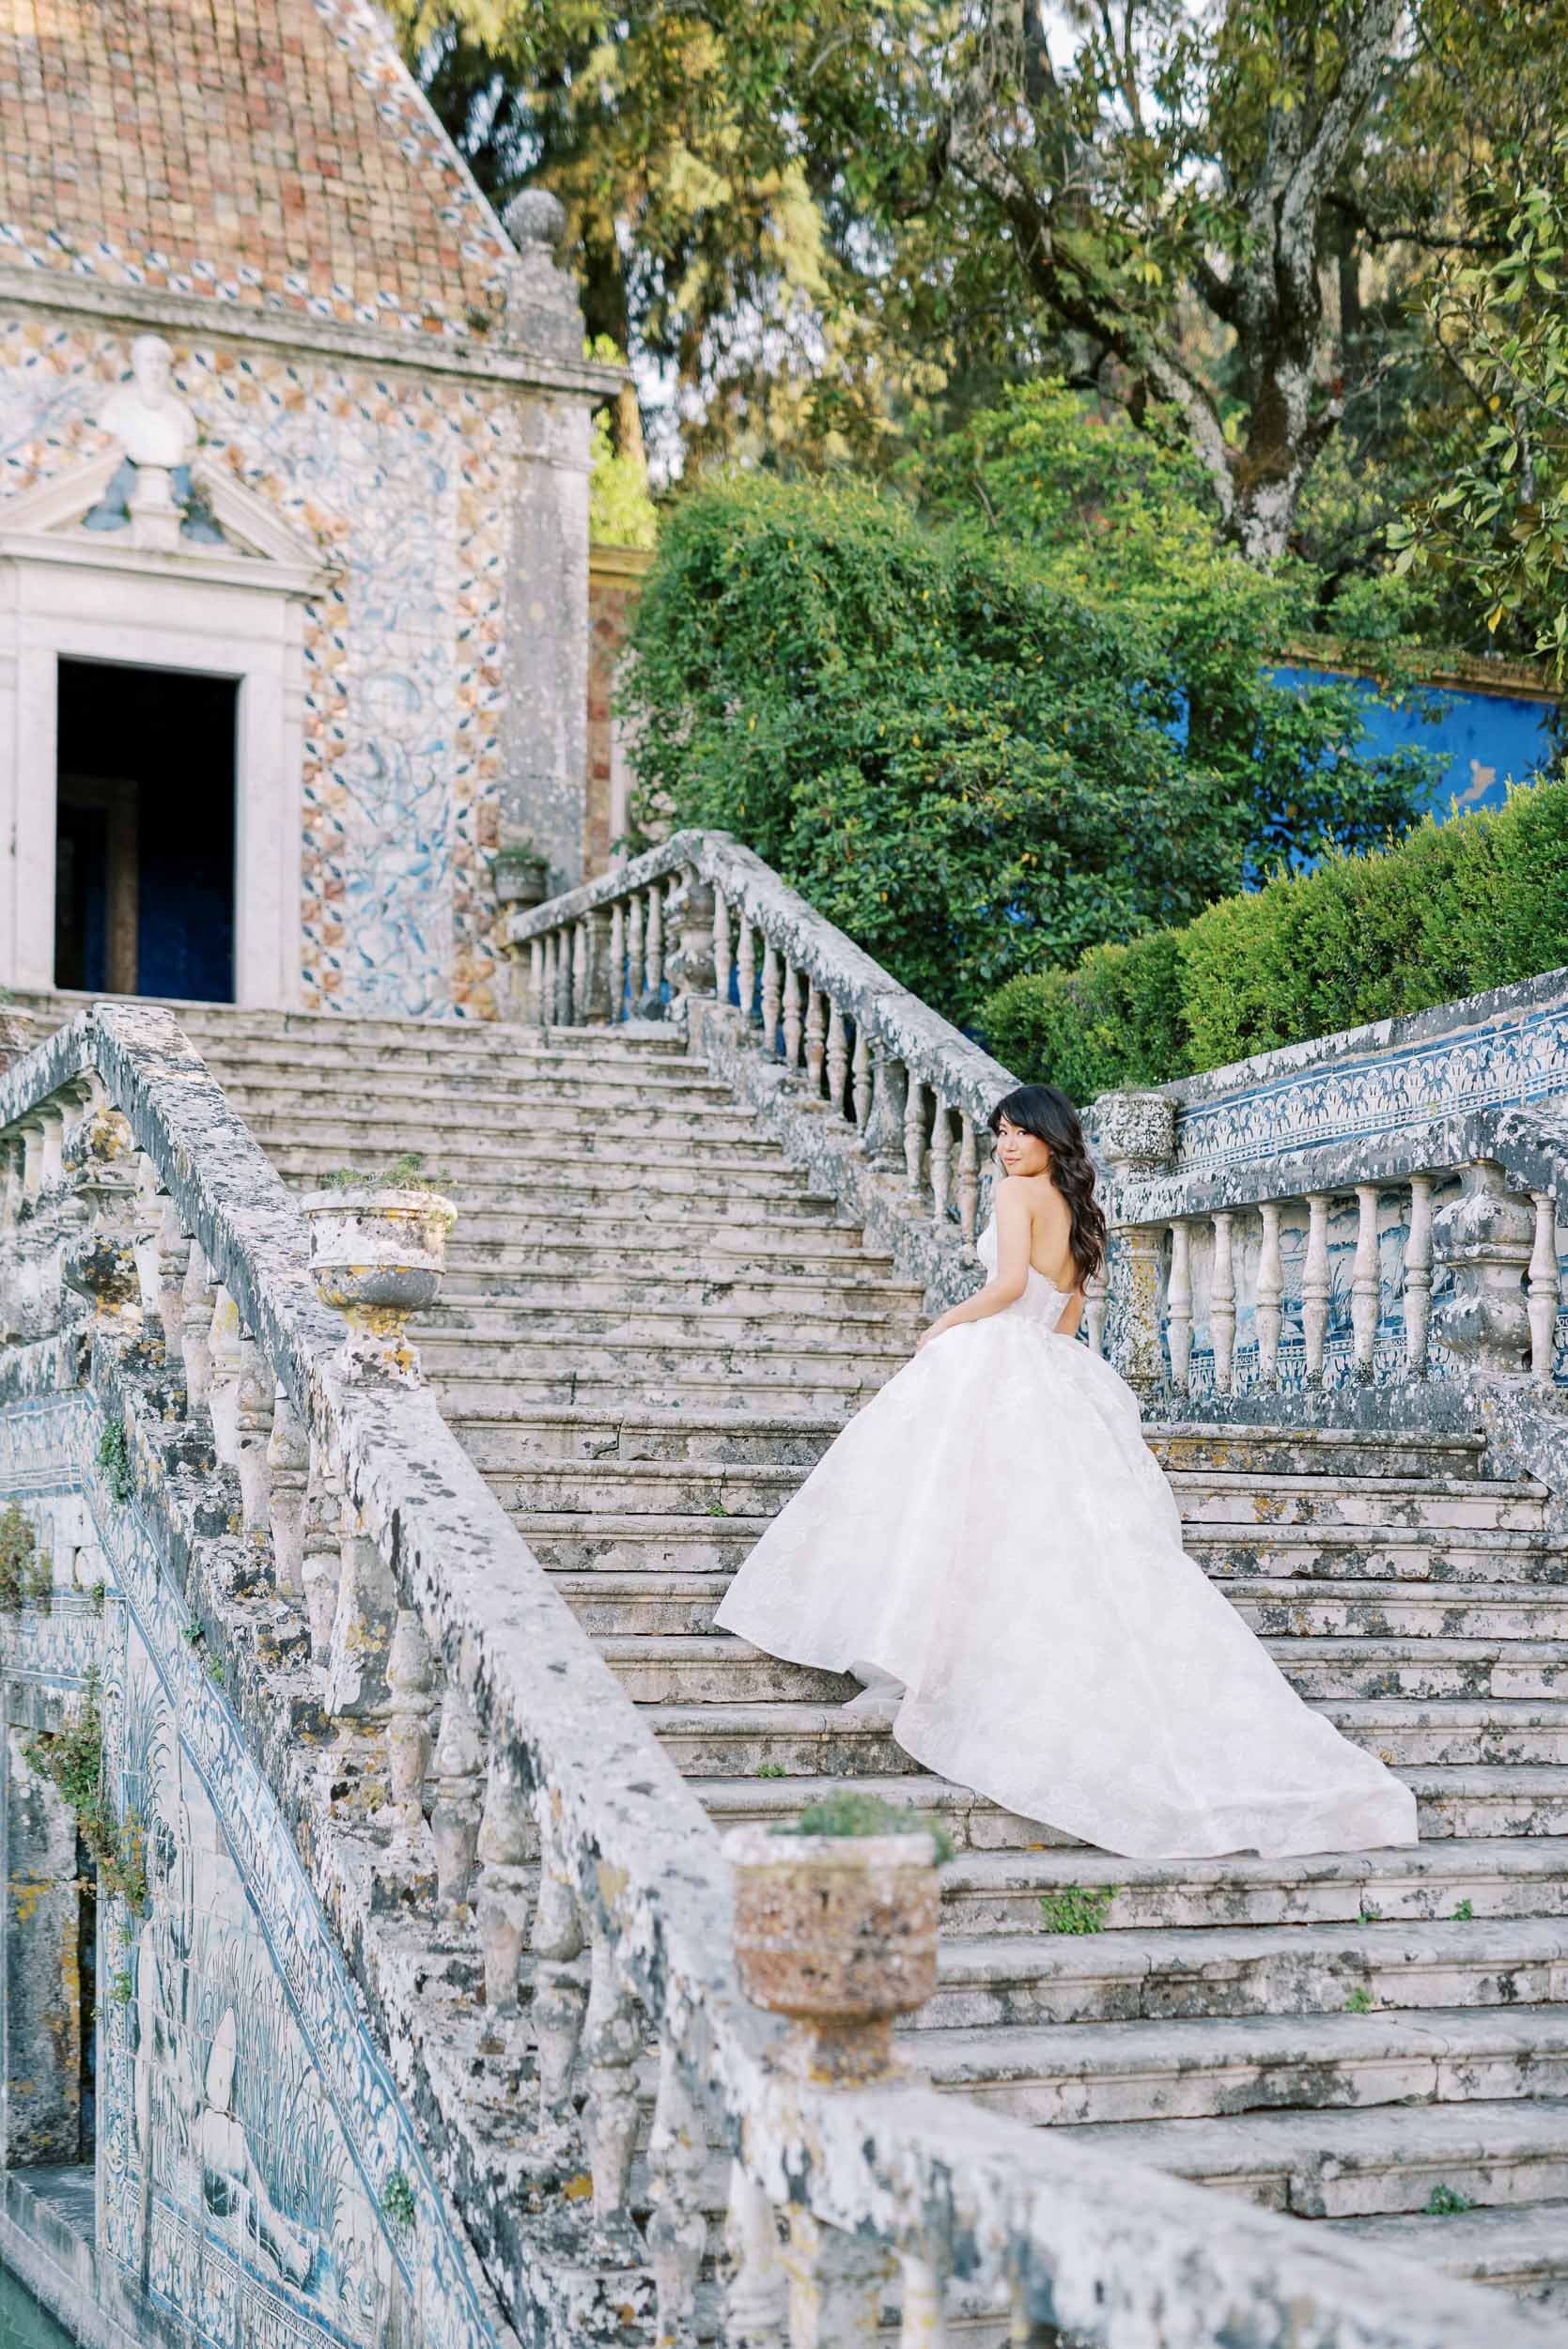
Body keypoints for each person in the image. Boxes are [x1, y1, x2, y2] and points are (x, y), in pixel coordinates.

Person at [714, 1082, 1417, 1860]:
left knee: (951, 1505)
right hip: (1051, 1364)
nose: (1007, 1146)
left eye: (1018, 1132)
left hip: (996, 1357)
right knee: (1018, 1521)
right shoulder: (1082, 1208)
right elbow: (1068, 1309)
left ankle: (926, 1655)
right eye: (999, 1134)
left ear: (1050, 1136)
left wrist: (944, 1324)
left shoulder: (1016, 1194)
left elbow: (1008, 1287)